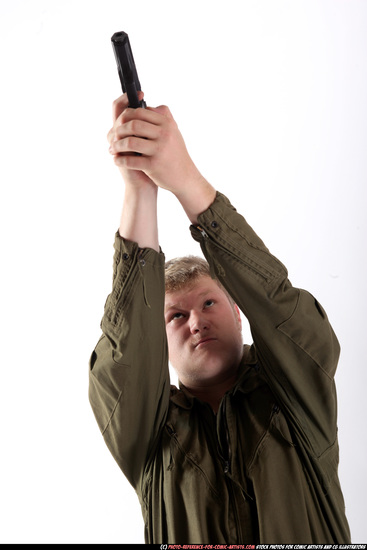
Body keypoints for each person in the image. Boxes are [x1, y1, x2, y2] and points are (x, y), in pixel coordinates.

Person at [89, 91, 351, 544]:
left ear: (238, 311)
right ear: (160, 345)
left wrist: (185, 179)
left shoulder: (297, 398)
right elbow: (124, 363)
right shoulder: (151, 438)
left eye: (209, 303)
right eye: (174, 316)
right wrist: (139, 190)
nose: (195, 322)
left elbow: (286, 312)